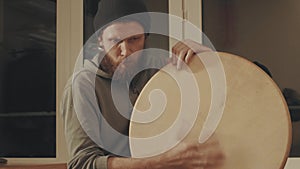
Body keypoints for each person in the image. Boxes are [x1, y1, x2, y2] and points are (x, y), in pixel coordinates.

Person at [61, 0, 224, 168]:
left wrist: (207, 58)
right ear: (100, 40)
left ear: (145, 37)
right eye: (115, 40)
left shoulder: (161, 68)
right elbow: (82, 164)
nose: (126, 51)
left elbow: (220, 100)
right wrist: (162, 162)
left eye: (134, 39)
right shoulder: (82, 85)